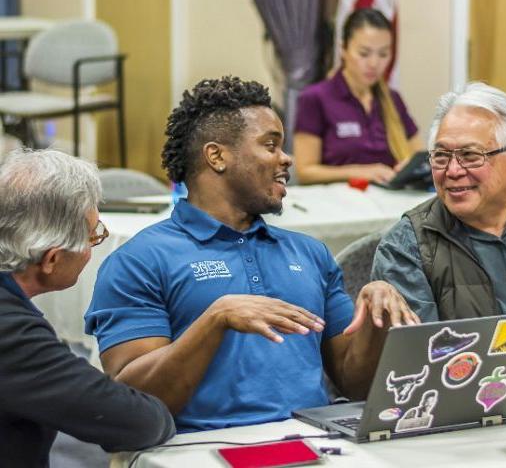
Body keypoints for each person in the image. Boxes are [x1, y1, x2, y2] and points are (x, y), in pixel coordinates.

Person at [85, 76, 418, 433]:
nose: (286, 158)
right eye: (270, 145)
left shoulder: (309, 253)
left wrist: (373, 320)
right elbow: (133, 406)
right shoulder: (139, 260)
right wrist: (216, 319)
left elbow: (355, 385)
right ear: (216, 156)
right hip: (201, 450)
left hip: (314, 443)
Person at [370, 81, 506, 374]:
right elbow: (425, 368)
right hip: (501, 407)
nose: (453, 171)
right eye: (441, 156)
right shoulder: (408, 248)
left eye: (470, 155)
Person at [0, 149, 175, 467]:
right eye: (93, 235)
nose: (93, 247)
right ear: (52, 259)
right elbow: (137, 423)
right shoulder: (12, 335)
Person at [293, 8, 424, 185]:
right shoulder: (315, 98)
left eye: (383, 54)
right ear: (344, 49)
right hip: (337, 204)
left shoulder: (392, 99)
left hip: (388, 201)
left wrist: (408, 167)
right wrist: (361, 172)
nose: (374, 63)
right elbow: (305, 172)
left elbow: (420, 156)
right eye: (364, 53)